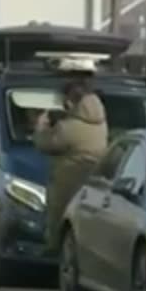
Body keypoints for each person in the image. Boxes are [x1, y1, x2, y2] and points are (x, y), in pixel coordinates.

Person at [34, 77, 108, 252]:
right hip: (92, 183)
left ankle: (54, 251)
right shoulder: (100, 123)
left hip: (68, 183)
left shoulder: (67, 128)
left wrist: (41, 123)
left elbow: (43, 143)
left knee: (59, 222)